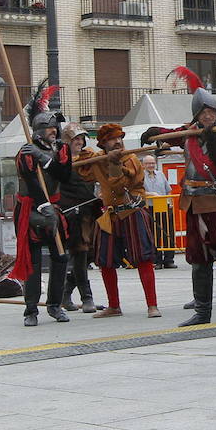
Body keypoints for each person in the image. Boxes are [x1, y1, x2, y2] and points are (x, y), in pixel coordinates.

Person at [142, 88, 216, 325]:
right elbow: (169, 135)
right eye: (203, 112)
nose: (207, 116)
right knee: (199, 261)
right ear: (197, 115)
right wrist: (153, 134)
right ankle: (202, 311)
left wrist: (215, 143)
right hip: (194, 201)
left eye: (211, 112)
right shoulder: (189, 133)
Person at [76, 122, 159, 319]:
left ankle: (152, 305)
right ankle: (114, 306)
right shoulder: (98, 159)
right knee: (105, 260)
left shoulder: (131, 159)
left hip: (132, 212)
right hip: (110, 214)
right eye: (112, 139)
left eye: (119, 138)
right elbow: (83, 173)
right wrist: (86, 156)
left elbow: (121, 184)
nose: (118, 142)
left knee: (143, 258)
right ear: (104, 144)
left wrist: (114, 164)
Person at [10, 87, 73, 327]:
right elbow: (31, 181)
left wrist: (45, 157)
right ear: (38, 130)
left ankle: (55, 305)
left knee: (60, 257)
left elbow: (64, 175)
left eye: (55, 128)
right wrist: (43, 204)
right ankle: (30, 310)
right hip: (31, 209)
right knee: (33, 261)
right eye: (50, 128)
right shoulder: (25, 153)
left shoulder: (61, 150)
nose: (54, 131)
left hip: (55, 208)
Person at [58, 124, 103, 314]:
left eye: (81, 139)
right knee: (80, 253)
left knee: (90, 255)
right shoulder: (60, 162)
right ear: (67, 141)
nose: (79, 142)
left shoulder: (89, 158)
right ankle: (87, 297)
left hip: (90, 212)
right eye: (76, 139)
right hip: (72, 214)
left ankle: (65, 294)